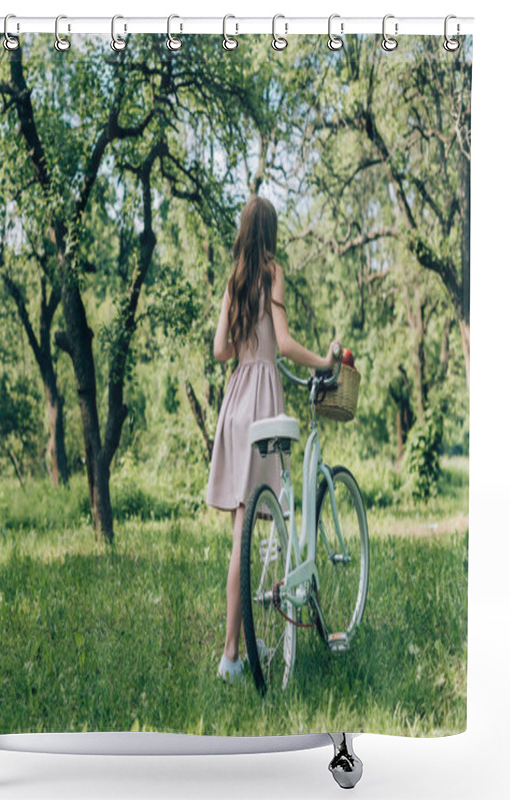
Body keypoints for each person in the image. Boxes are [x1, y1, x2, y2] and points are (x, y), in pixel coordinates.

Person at [206, 196, 341, 682]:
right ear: (270, 231)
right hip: (263, 399)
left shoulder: (235, 280)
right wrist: (325, 363)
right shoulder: (271, 272)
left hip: (236, 399)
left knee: (244, 531)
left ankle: (238, 648)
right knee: (248, 533)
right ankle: (230, 657)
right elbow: (282, 344)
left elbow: (221, 350)